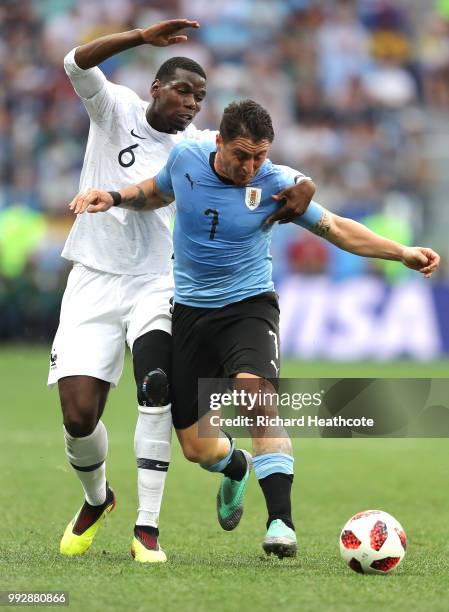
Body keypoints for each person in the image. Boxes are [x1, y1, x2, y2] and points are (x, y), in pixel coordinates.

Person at [70, 99, 440, 558]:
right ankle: (235, 467)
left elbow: (336, 228)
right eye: (241, 155)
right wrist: (116, 196)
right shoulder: (186, 158)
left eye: (260, 156)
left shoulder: (278, 185)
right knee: (196, 448)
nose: (250, 166)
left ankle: (280, 522)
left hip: (249, 307)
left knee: (256, 394)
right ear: (219, 142)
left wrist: (401, 252)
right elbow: (158, 191)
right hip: (190, 312)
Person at [52, 23, 315, 564]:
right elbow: (75, 62)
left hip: (158, 282)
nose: (193, 104)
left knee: (156, 387)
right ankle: (98, 500)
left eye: (200, 97)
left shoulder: (199, 149)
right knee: (79, 417)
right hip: (93, 277)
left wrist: (306, 185)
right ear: (155, 87)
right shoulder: (114, 109)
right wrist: (142, 35)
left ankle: (147, 530)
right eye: (183, 92)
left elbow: (272, 171)